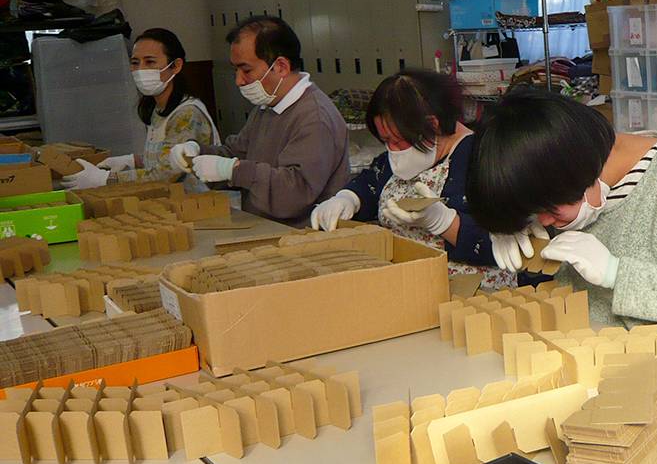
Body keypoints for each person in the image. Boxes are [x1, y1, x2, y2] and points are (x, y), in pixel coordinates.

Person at [465, 91, 657, 365]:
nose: (544, 221)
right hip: (592, 357)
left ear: (576, 175)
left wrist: (618, 274)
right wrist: (512, 224)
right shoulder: (572, 183)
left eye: (547, 210)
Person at [310, 70, 511, 289]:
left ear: (432, 125)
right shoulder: (396, 159)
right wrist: (348, 198)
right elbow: (372, 183)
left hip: (471, 292)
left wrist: (444, 222)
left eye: (396, 141)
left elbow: (501, 245)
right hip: (410, 285)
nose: (391, 151)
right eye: (385, 141)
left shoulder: (482, 159)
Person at [168, 16, 348, 226]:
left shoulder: (313, 117)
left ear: (280, 66)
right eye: (236, 69)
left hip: (303, 239)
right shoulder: (267, 107)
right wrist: (197, 153)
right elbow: (238, 152)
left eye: (246, 70)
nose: (238, 80)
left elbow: (293, 194)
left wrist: (233, 170)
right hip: (267, 230)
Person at [64, 28, 218, 190]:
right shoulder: (157, 109)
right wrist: (133, 161)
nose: (140, 70)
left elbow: (168, 174)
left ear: (176, 66)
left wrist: (108, 179)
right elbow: (165, 157)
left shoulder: (187, 114)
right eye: (135, 62)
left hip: (203, 204)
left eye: (150, 62)